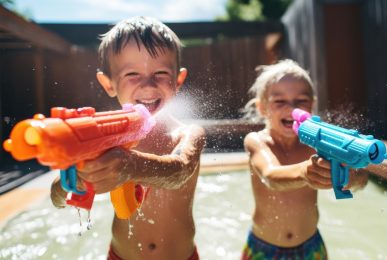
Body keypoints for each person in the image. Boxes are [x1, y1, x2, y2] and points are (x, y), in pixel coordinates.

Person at [50, 16, 205, 260]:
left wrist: (130, 167)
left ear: (178, 80)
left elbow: (180, 170)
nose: (148, 85)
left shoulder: (188, 133)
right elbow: (57, 198)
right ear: (108, 83)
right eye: (132, 73)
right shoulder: (103, 139)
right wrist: (75, 181)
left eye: (161, 72)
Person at [241, 59, 368, 259]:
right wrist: (305, 173)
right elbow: (270, 176)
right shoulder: (256, 141)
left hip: (310, 247)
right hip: (263, 248)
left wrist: (350, 177)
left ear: (312, 105)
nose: (292, 109)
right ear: (262, 108)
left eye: (301, 101)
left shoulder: (316, 143)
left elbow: (362, 179)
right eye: (279, 101)